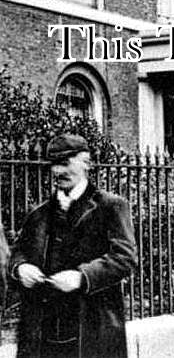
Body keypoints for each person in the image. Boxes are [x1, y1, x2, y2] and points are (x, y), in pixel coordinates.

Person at [10, 133, 137, 358]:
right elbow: (19, 252)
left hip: (93, 327)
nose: (58, 171)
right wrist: (20, 269)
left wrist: (81, 277)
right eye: (54, 164)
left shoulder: (110, 207)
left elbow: (124, 258)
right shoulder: (38, 214)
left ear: (86, 163)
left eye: (65, 163)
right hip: (41, 332)